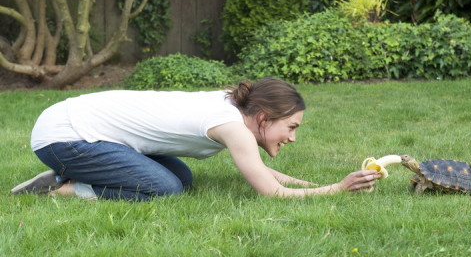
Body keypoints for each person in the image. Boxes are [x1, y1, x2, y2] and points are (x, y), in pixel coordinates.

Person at [11, 77, 381, 201]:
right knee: (166, 188)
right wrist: (336, 189)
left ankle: (67, 177)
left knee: (184, 178)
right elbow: (271, 192)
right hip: (66, 135)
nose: (293, 138)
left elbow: (265, 174)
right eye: (292, 127)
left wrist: (322, 184)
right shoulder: (234, 127)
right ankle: (65, 189)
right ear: (264, 118)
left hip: (76, 125)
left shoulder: (233, 110)